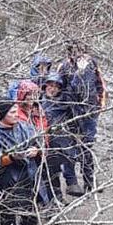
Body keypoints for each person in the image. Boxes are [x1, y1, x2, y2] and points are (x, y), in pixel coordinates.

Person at [63, 54, 106, 195]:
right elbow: (62, 88)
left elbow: (100, 85)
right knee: (70, 146)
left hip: (89, 112)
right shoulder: (64, 66)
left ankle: (89, 179)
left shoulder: (92, 63)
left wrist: (99, 107)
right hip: (70, 112)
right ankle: (71, 182)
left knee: (87, 146)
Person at [39, 72, 76, 202]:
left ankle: (57, 198)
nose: (53, 88)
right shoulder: (38, 101)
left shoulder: (64, 102)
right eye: (50, 85)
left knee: (54, 171)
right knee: (45, 173)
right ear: (45, 86)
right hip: (41, 142)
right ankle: (50, 200)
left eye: (56, 86)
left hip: (58, 143)